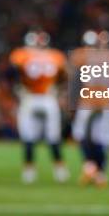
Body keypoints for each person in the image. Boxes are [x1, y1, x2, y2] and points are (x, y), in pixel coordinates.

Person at [9, 30, 69, 184]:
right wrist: (59, 90)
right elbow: (65, 77)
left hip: (29, 98)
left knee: (28, 136)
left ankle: (29, 171)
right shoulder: (55, 56)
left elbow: (11, 74)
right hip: (48, 98)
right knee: (53, 136)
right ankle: (59, 169)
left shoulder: (21, 54)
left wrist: (18, 89)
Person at [70, 30, 109, 187]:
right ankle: (97, 171)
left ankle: (93, 168)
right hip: (104, 102)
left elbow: (74, 63)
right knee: (100, 138)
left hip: (91, 101)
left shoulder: (83, 55)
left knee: (87, 135)